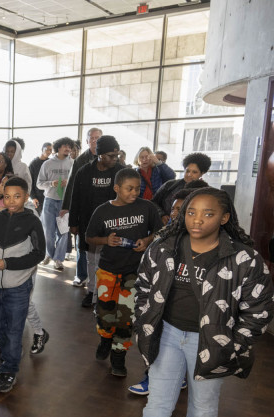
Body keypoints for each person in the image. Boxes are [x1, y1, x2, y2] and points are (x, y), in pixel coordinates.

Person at [107, 188, 274, 417]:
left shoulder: (243, 258)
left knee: (203, 406)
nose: (197, 221)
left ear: (224, 218)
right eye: (191, 212)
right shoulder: (164, 247)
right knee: (158, 405)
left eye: (208, 214)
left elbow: (259, 307)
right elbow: (143, 285)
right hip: (168, 334)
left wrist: (234, 343)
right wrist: (145, 320)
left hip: (212, 340)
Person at [127, 179, 210, 395]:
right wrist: (143, 310)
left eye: (181, 210)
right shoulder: (163, 240)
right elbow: (145, 279)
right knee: (156, 346)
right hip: (160, 310)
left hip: (190, 320)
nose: (175, 213)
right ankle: (152, 379)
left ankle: (174, 378)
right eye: (174, 208)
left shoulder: (209, 245)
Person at [85, 168, 163, 376]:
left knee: (126, 318)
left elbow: (160, 232)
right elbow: (89, 237)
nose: (134, 192)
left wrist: (147, 240)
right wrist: (105, 240)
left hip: (134, 273)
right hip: (107, 271)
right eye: (129, 188)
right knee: (104, 314)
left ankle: (118, 357)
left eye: (138, 188)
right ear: (117, 188)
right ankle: (105, 339)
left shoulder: (147, 208)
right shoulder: (102, 211)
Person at [0, 177, 45, 394]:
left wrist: (9, 263)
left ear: (26, 197)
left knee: (14, 328)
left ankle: (9, 369)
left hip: (19, 284)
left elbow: (39, 254)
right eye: (7, 196)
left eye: (17, 196)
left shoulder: (32, 221)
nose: (11, 201)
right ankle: (9, 356)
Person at [68, 135, 122, 308]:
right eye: (110, 156)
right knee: (91, 259)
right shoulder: (84, 172)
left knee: (111, 259)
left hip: (114, 224)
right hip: (88, 223)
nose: (114, 159)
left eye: (116, 155)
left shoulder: (120, 172)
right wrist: (73, 223)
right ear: (99, 155)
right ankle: (92, 291)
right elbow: (74, 198)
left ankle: (107, 293)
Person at [63, 128, 102, 289]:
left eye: (97, 138)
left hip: (102, 210)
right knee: (81, 244)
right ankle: (81, 275)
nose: (94, 140)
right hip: (84, 209)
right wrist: (66, 207)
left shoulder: (109, 159)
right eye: (91, 138)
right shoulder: (80, 160)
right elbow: (71, 185)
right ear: (87, 141)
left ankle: (100, 277)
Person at [37, 137, 75, 271]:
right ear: (58, 148)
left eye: (70, 147)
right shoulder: (47, 164)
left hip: (65, 203)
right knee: (48, 232)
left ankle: (58, 259)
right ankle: (49, 254)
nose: (68, 149)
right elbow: (39, 184)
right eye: (65, 146)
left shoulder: (73, 164)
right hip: (49, 201)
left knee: (63, 232)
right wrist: (51, 184)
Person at [152, 152, 212, 222]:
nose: (189, 174)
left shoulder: (207, 192)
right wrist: (162, 215)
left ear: (202, 173)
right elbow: (153, 202)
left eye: (194, 172)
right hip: (165, 225)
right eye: (187, 171)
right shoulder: (170, 185)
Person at [28, 142, 52, 211]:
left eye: (50, 150)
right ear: (42, 149)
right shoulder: (34, 163)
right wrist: (33, 197)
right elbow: (30, 181)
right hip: (38, 197)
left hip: (48, 195)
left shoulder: (50, 162)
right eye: (47, 149)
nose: (49, 152)